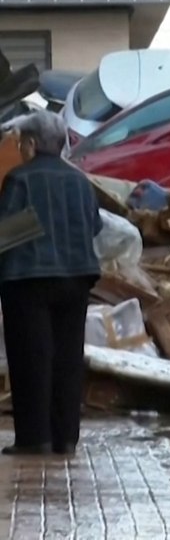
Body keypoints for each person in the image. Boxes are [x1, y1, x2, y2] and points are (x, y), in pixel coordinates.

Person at [0, 110, 102, 457]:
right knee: (67, 359)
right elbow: (95, 226)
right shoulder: (80, 181)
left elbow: (6, 234)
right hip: (77, 278)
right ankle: (65, 439)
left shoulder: (20, 179)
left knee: (32, 358)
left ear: (30, 144)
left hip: (28, 279)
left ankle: (34, 439)